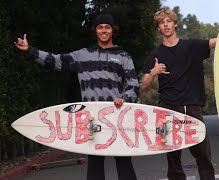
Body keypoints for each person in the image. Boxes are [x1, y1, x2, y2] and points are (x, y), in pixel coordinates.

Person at [15, 13, 139, 180]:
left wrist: (125, 98)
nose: (103, 30)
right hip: (92, 118)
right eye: (100, 27)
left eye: (107, 27)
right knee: (95, 163)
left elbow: (133, 85)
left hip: (116, 117)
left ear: (113, 30)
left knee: (124, 162)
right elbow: (56, 61)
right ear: (95, 31)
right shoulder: (83, 55)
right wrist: (30, 51)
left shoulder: (123, 56)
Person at [140, 8, 219, 180]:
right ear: (159, 28)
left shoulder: (191, 46)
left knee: (203, 156)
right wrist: (154, 72)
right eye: (161, 23)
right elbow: (143, 86)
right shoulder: (156, 55)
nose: (165, 25)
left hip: (191, 108)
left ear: (175, 24)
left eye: (168, 21)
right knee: (173, 158)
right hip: (167, 110)